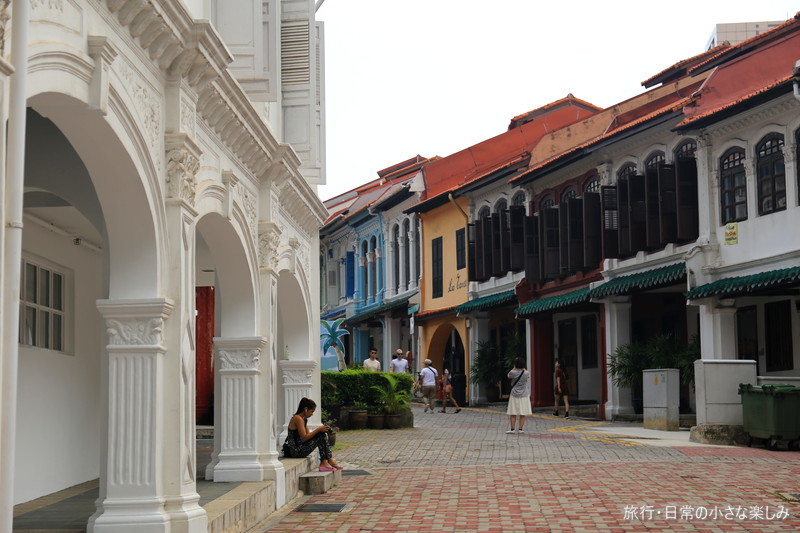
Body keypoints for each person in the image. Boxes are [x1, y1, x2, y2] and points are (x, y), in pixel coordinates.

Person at [283, 397, 342, 471]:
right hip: (296, 451)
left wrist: (321, 430)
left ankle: (328, 459)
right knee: (320, 434)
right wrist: (318, 429)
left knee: (321, 434)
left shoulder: (303, 419)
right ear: (305, 409)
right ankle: (325, 461)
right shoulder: (297, 418)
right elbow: (304, 437)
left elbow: (309, 436)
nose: (312, 414)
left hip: (301, 448)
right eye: (311, 411)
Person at [506, 357, 532, 434]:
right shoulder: (526, 373)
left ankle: (512, 429)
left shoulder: (512, 372)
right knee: (522, 412)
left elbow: (508, 376)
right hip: (524, 394)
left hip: (514, 394)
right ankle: (520, 429)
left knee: (513, 412)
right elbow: (528, 375)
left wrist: (514, 368)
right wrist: (524, 369)